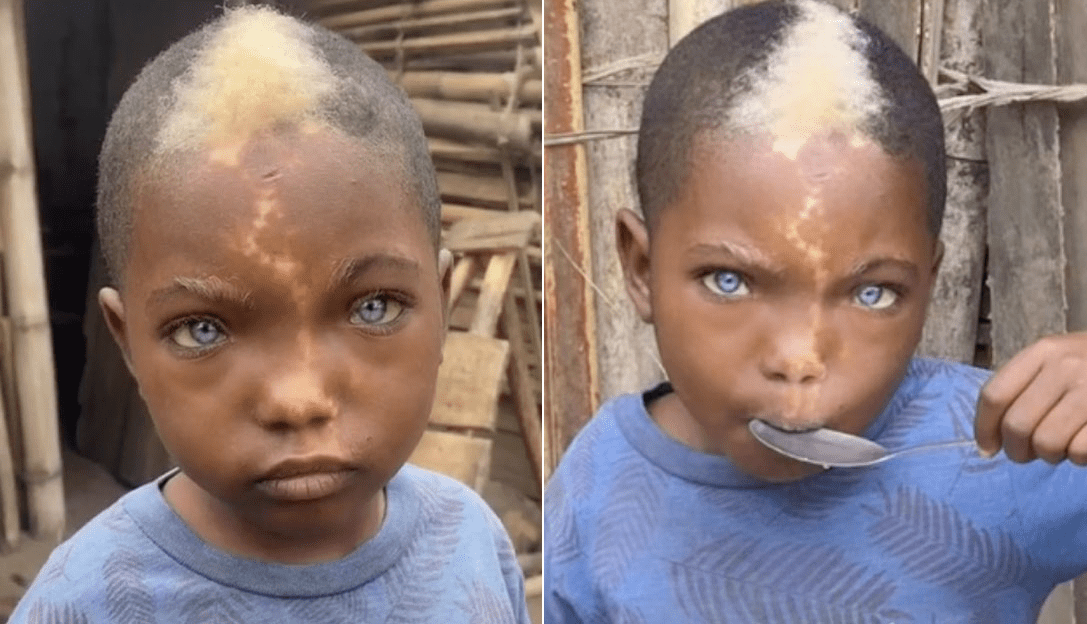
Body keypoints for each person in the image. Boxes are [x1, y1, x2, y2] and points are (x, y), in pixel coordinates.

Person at [544, 1, 1087, 622]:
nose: (799, 359)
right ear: (642, 269)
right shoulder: (597, 487)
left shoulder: (1003, 454)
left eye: (872, 293)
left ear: (928, 286)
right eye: (729, 281)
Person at [10, 6, 529, 623]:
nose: (298, 400)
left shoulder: (471, 543)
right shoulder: (82, 605)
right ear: (126, 344)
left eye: (374, 306)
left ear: (442, 307)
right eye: (203, 328)